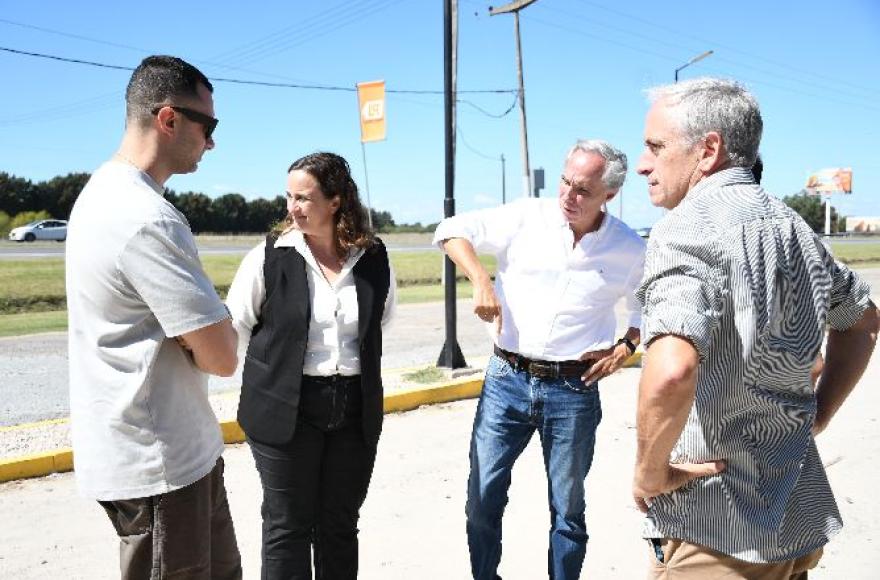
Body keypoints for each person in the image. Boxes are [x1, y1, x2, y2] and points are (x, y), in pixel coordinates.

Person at [633, 77, 878, 578]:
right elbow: (863, 321)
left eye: (656, 147)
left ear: (708, 150)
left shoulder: (686, 228)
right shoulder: (793, 226)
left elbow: (671, 371)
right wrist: (821, 413)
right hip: (795, 517)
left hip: (720, 534)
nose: (643, 164)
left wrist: (650, 471)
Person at [434, 139, 646, 580]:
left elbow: (648, 306)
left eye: (584, 189)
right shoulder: (526, 216)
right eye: (566, 182)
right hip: (506, 378)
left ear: (609, 194)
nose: (569, 195)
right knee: (482, 497)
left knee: (568, 507)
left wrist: (625, 347)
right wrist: (481, 281)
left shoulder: (629, 247)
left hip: (574, 389)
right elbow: (451, 230)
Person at [66, 55, 242, 578]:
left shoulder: (102, 193)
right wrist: (213, 329)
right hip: (162, 466)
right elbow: (221, 355)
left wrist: (200, 332)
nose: (211, 142)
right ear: (168, 119)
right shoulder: (146, 219)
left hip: (165, 452)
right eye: (207, 126)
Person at [226, 151, 396, 580]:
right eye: (288, 197)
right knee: (288, 526)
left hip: (354, 408)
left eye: (303, 198)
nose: (292, 208)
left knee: (340, 525)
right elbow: (238, 324)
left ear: (336, 200)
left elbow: (381, 321)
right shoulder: (270, 255)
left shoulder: (373, 256)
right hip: (285, 407)